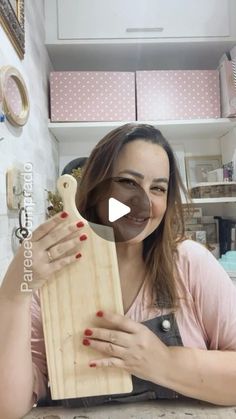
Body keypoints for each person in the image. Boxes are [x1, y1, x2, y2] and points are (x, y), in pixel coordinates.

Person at [1, 124, 236, 418]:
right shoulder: (51, 277)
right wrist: (13, 292)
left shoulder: (190, 263)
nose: (143, 203)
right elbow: (8, 406)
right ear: (97, 187)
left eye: (158, 188)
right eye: (127, 182)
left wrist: (164, 362)